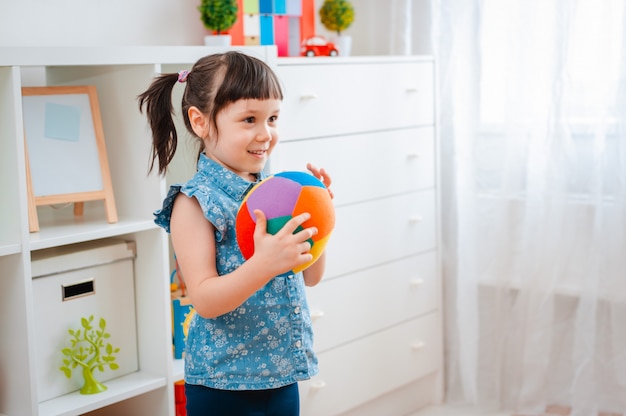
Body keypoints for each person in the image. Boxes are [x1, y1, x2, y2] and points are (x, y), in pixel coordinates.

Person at [138, 51, 332, 416]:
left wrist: (317, 221)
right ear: (200, 121)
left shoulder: (276, 193)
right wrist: (264, 263)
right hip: (223, 384)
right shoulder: (195, 203)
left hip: (281, 374)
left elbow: (312, 276)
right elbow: (206, 299)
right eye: (249, 119)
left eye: (273, 118)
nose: (266, 133)